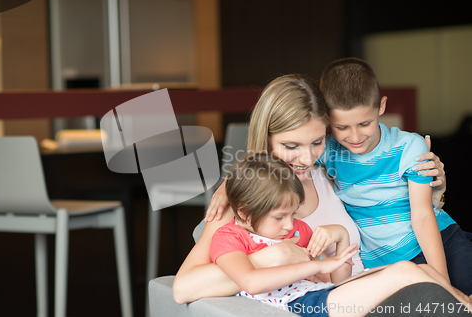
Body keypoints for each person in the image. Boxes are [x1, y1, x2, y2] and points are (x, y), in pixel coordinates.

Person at [173, 74, 447, 306]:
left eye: (316, 142)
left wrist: (434, 193)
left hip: (375, 286)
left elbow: (385, 211)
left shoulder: (327, 172)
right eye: (291, 146)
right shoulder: (240, 203)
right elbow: (183, 288)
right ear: (265, 136)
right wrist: (270, 257)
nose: (307, 159)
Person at [210, 152, 470, 317]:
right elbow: (250, 283)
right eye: (280, 218)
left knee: (414, 269)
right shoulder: (230, 236)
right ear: (244, 214)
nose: (291, 225)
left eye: (293, 213)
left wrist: (338, 248)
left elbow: (331, 278)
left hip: (325, 292)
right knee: (406, 274)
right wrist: (315, 265)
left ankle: (464, 304)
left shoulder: (297, 231)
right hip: (301, 304)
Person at [317, 57, 472, 295]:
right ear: (327, 119)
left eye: (364, 123)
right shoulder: (326, 151)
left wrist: (442, 284)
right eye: (342, 127)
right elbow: (284, 158)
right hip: (385, 261)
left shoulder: (410, 147)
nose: (355, 136)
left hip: (438, 241)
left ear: (381, 106)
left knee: (462, 288)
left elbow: (422, 216)